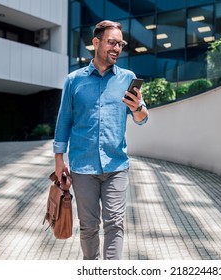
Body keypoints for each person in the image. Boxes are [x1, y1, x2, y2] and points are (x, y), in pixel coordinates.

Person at [53, 20, 149, 260]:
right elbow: (64, 121)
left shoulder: (128, 78)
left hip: (116, 166)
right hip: (83, 167)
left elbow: (142, 118)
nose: (117, 48)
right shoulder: (74, 80)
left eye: (120, 43)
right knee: (88, 226)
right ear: (96, 42)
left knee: (115, 224)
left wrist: (137, 107)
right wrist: (58, 160)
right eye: (111, 42)